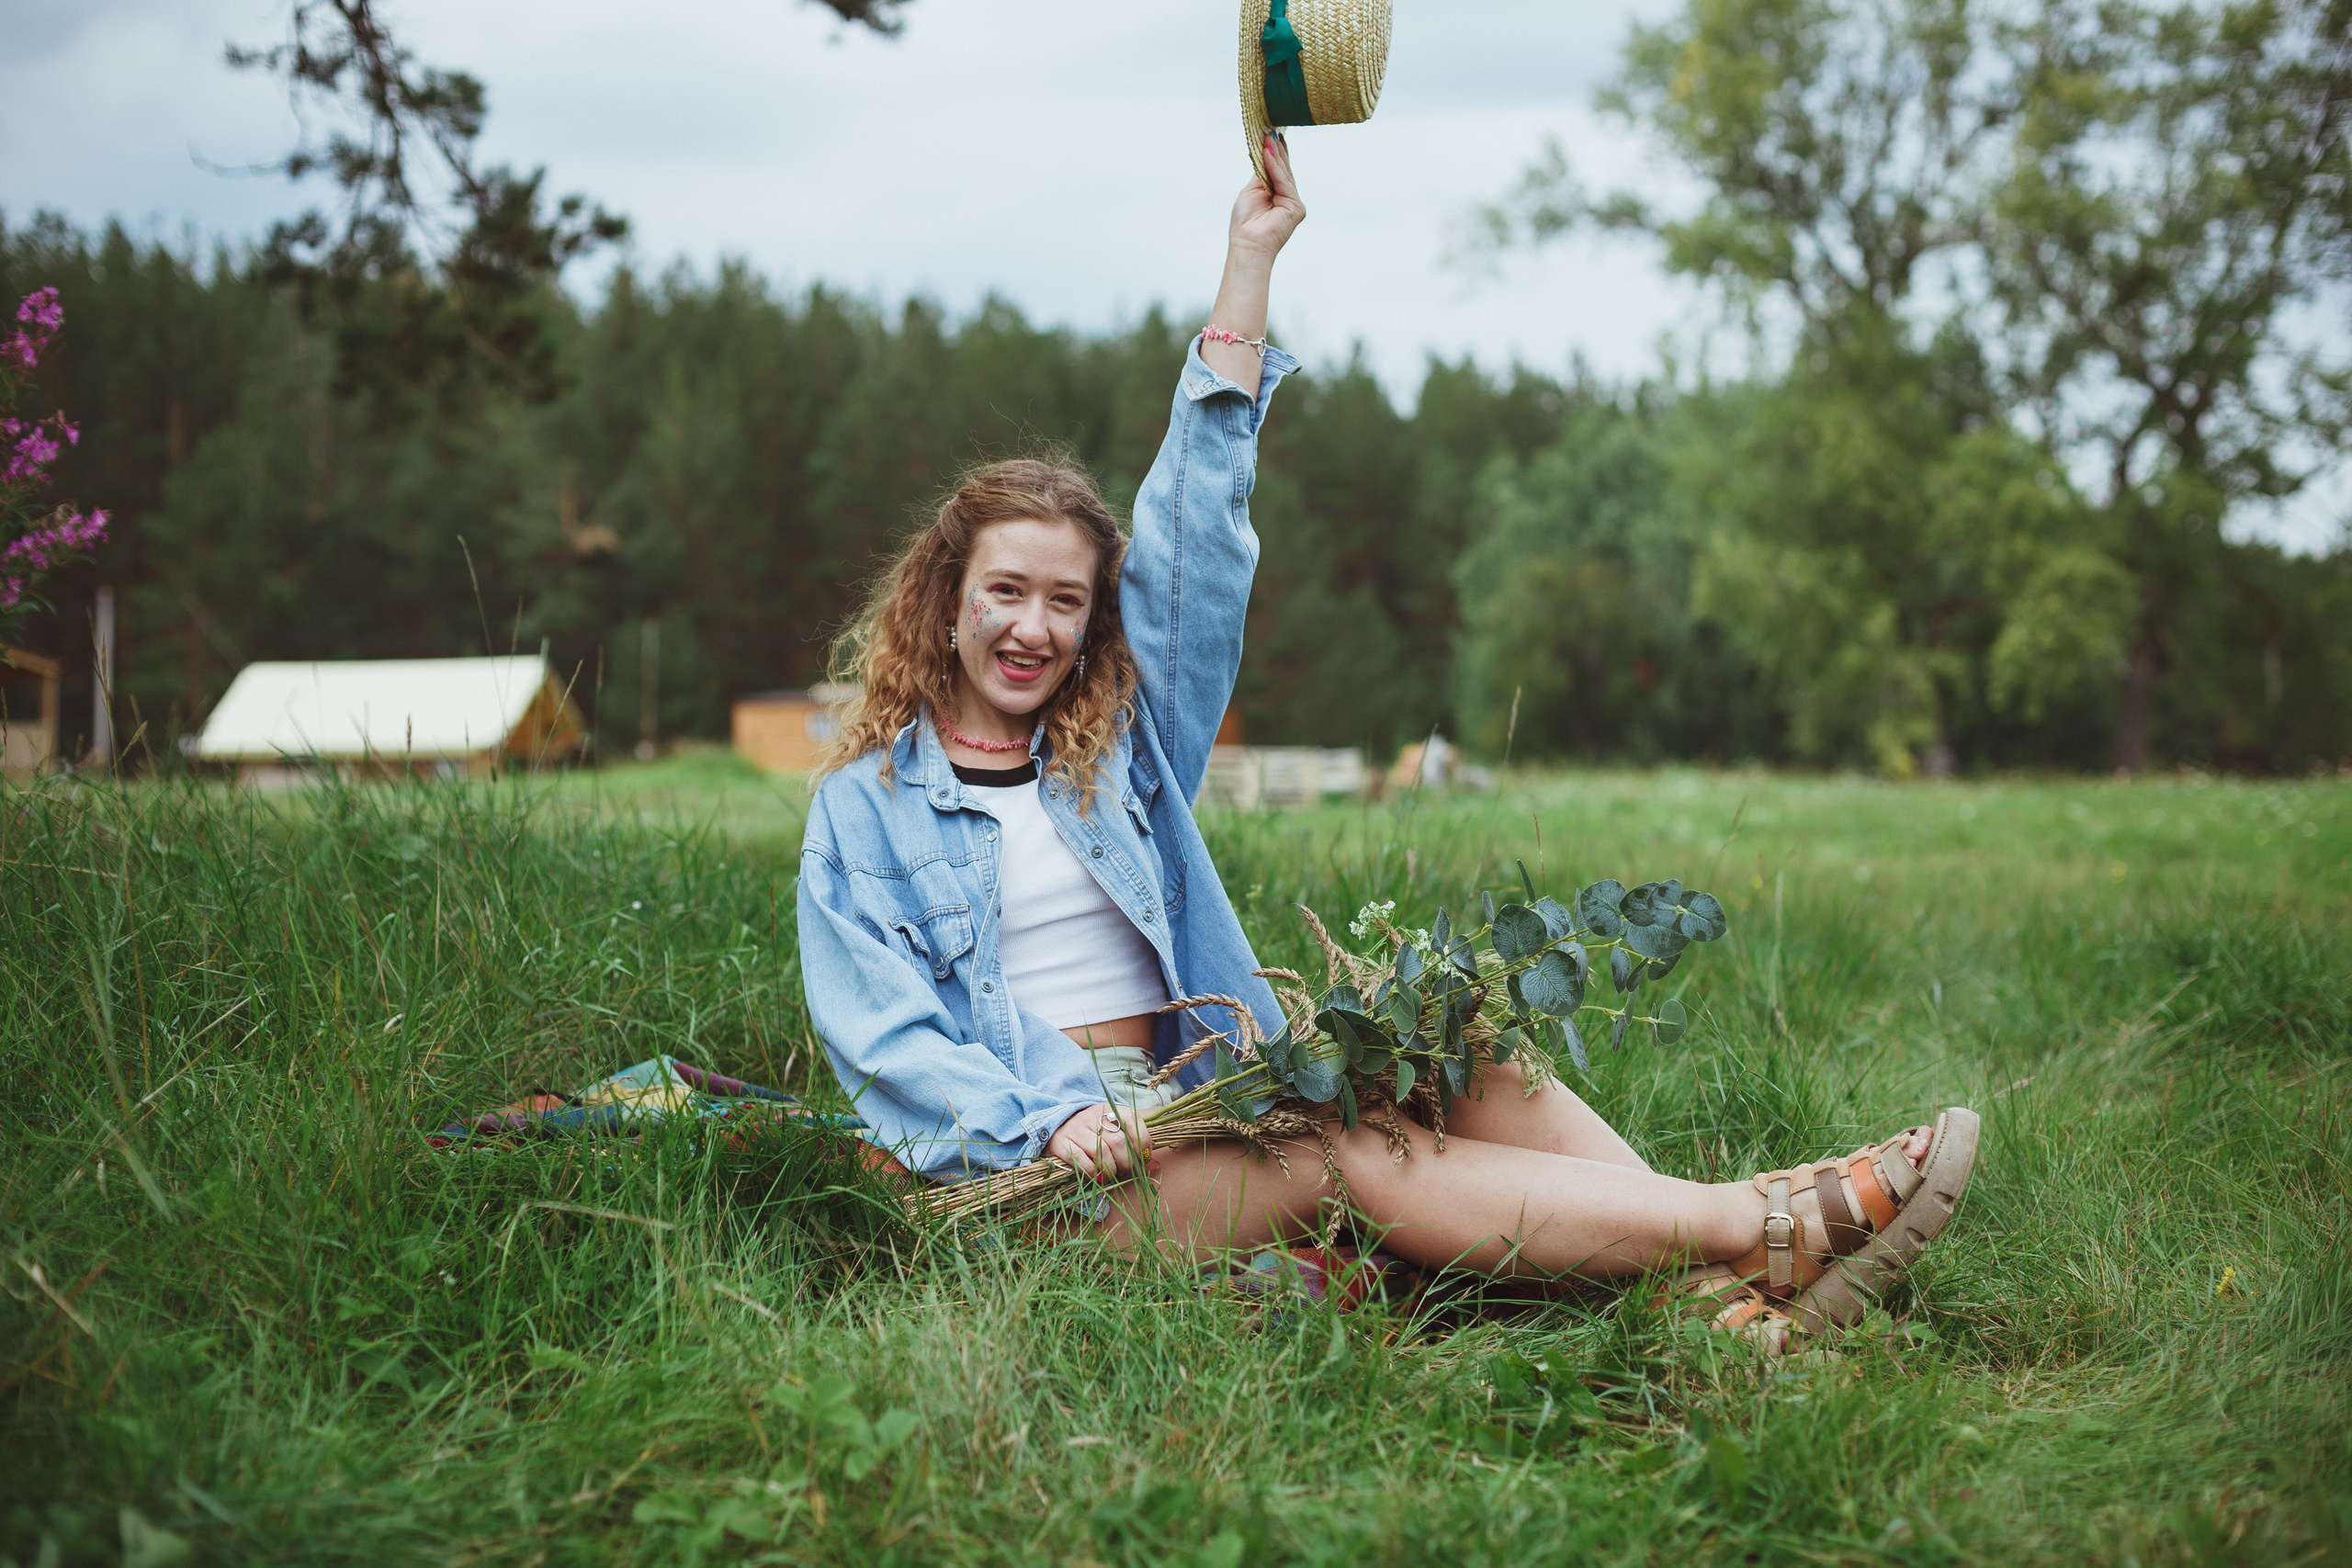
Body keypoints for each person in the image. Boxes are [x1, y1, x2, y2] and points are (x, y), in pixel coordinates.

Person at [797, 133, 1978, 1343]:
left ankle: (1707, 1302)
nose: (1033, 628)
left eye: (1066, 601)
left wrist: (1249, 260)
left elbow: (1195, 540)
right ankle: (1755, 1221)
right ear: (947, 597)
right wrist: (1050, 1120)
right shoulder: (865, 811)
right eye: (1004, 592)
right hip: (1033, 1183)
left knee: (1462, 1058)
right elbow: (885, 1039)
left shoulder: (1118, 755)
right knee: (1347, 1156)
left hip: (1185, 1109)